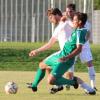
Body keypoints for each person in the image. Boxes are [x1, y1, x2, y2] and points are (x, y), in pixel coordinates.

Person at [27, 8, 96, 95]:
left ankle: (74, 83)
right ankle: (34, 85)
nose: (72, 20)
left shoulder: (78, 31)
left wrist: (66, 57)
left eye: (74, 20)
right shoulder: (74, 28)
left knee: (53, 80)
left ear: (79, 22)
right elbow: (50, 43)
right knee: (42, 65)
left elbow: (79, 49)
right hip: (61, 54)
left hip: (66, 58)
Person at [50, 4, 97, 93]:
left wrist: (84, 41)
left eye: (71, 11)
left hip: (82, 46)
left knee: (89, 63)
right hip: (72, 47)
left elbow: (87, 32)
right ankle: (62, 85)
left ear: (75, 11)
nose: (69, 13)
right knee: (68, 69)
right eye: (67, 11)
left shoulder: (79, 20)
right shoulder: (66, 20)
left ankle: (92, 86)